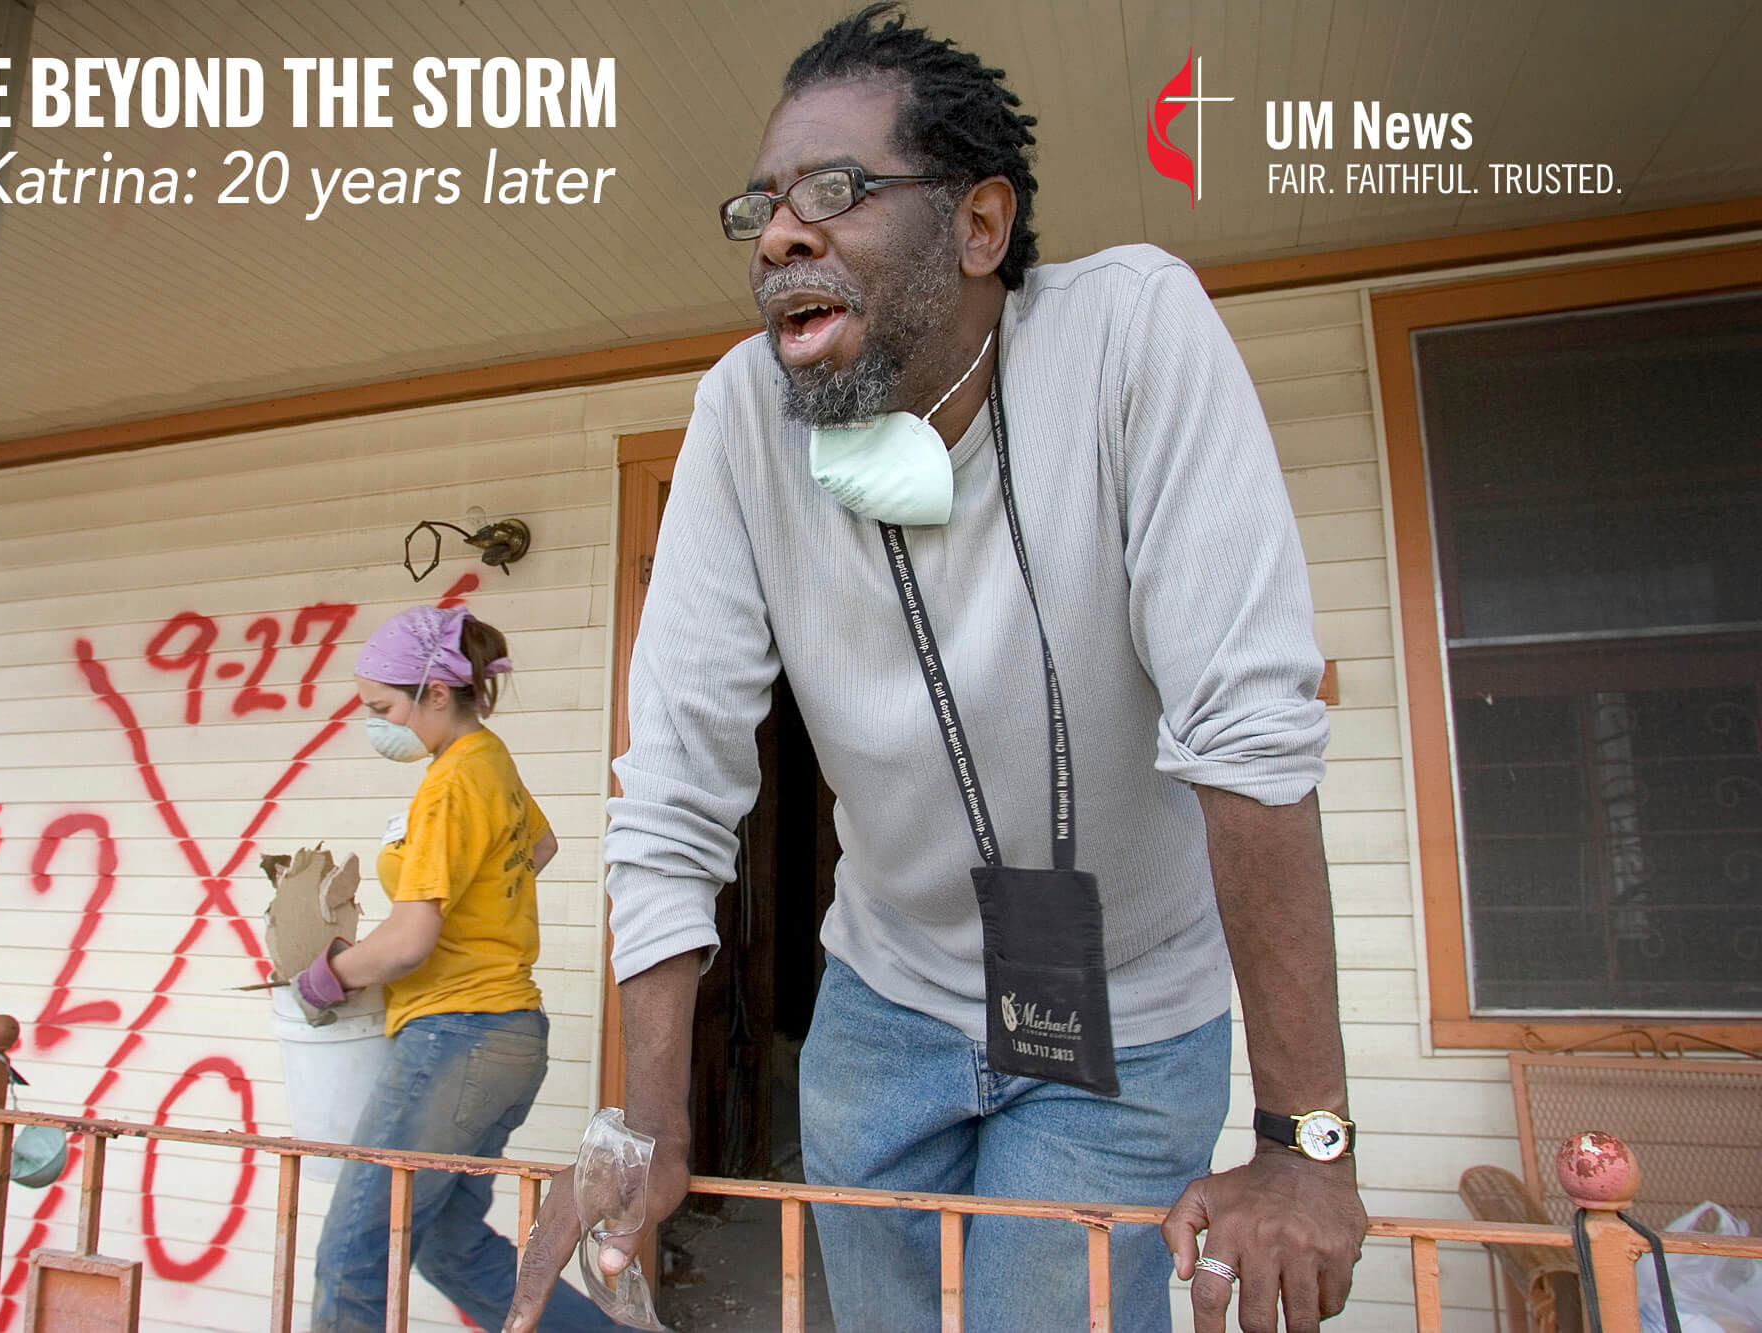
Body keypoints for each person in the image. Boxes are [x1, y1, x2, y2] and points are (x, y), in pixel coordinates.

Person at [509, 6, 1368, 1332]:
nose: (782, 233)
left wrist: (1307, 1145)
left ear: (979, 226)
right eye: (763, 207)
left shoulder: (1132, 333)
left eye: (836, 191)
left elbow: (1249, 737)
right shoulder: (743, 416)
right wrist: (645, 1119)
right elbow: (675, 786)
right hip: (884, 1001)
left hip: (1129, 1016)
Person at [297, 605, 621, 1333]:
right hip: (511, 1035)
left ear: (435, 693)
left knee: (354, 1253)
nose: (377, 725)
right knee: (448, 1245)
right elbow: (538, 848)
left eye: (382, 708)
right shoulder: (492, 761)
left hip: (456, 1033)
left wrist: (332, 973)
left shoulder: (448, 784)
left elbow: (411, 937)